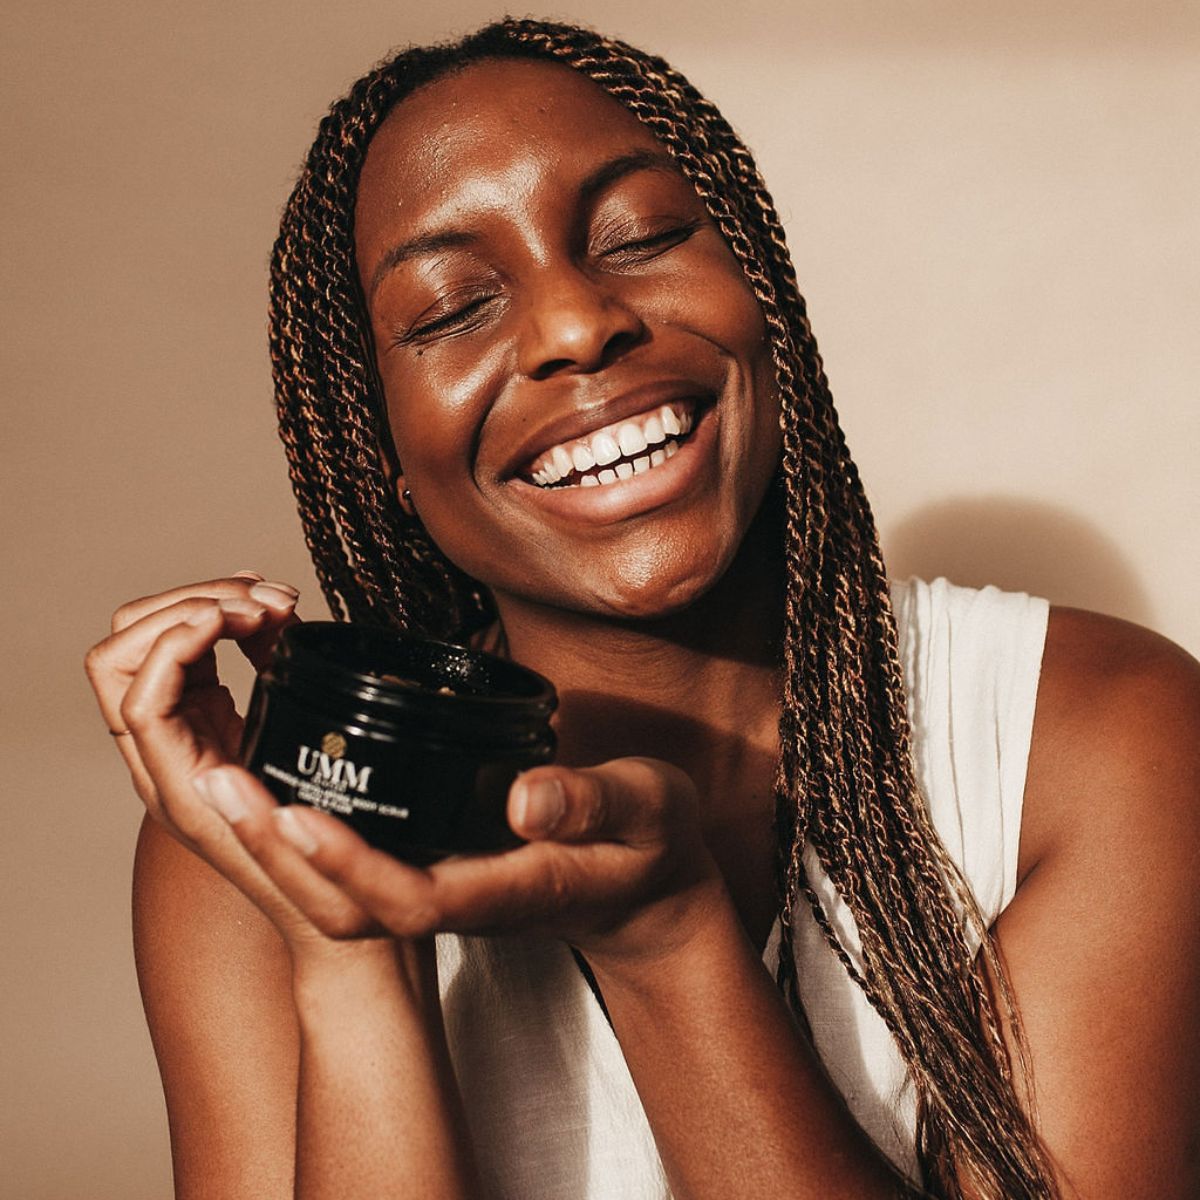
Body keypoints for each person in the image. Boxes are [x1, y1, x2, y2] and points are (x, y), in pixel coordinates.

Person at [83, 17, 1199, 1200]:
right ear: (381, 455)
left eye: (644, 234)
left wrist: (671, 940)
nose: (576, 326)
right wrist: (352, 949)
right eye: (453, 307)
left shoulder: (1104, 737)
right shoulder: (250, 838)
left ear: (763, 291)